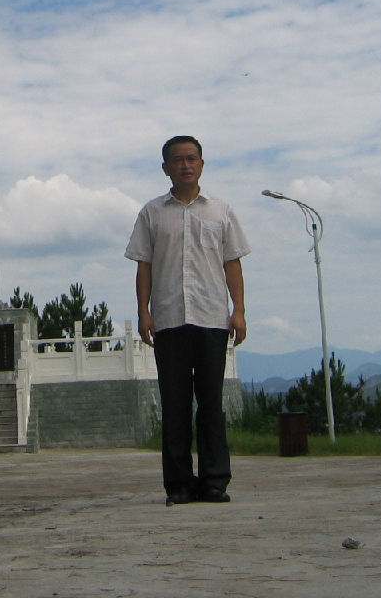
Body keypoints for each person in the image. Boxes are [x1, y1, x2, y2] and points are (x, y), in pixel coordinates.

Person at [125, 135, 250, 505]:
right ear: (166, 167)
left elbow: (233, 263)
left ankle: (214, 481)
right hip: (169, 320)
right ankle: (178, 485)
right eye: (177, 160)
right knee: (175, 405)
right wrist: (144, 311)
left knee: (211, 403)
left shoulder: (221, 211)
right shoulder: (152, 213)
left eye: (191, 158)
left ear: (202, 164)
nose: (185, 165)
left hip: (212, 318)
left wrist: (238, 310)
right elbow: (143, 264)